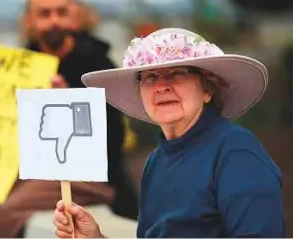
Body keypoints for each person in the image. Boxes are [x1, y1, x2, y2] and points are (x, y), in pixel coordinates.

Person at [54, 28, 286, 238]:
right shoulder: (156, 160)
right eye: (151, 77)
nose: (161, 86)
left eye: (176, 73)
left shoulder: (236, 153)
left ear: (207, 90)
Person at [0, 0, 138, 238]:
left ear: (73, 17)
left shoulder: (95, 62)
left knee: (9, 210)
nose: (54, 21)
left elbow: (114, 132)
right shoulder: (22, 63)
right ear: (29, 21)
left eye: (61, 12)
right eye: (44, 14)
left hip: (88, 175)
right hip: (34, 169)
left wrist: (66, 100)